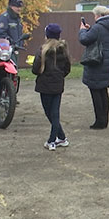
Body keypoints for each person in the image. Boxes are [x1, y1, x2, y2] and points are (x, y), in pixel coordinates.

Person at [32, 23, 71, 151]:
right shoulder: (63, 49)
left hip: (45, 85)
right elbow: (67, 68)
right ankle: (62, 137)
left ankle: (51, 140)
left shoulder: (42, 50)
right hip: (58, 85)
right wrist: (59, 76)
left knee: (50, 113)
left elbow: (36, 69)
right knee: (54, 113)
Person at [79, 5, 109, 129]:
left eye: (95, 15)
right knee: (103, 91)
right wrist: (91, 29)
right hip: (106, 61)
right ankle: (104, 120)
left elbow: (84, 39)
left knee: (95, 91)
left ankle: (99, 121)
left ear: (100, 15)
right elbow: (100, 37)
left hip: (96, 61)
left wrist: (82, 30)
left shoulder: (98, 27)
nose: (94, 17)